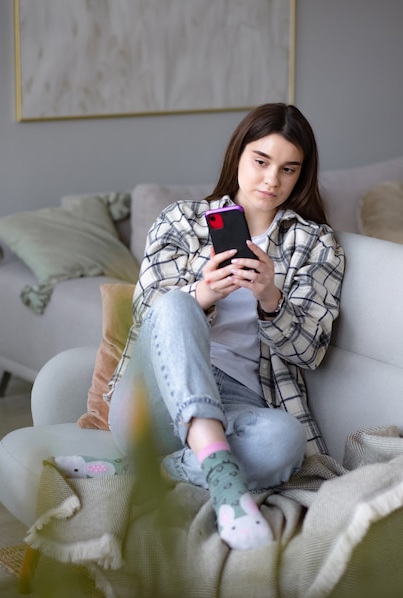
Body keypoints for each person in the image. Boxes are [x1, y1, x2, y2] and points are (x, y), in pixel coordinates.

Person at [107, 103, 345, 551]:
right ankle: (221, 476)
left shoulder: (316, 243)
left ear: (301, 175)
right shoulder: (180, 219)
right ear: (237, 155)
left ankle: (155, 471)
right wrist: (204, 295)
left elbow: (311, 350)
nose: (272, 180)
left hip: (241, 398)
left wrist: (270, 297)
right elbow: (147, 314)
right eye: (260, 161)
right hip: (152, 398)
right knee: (178, 303)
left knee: (285, 441)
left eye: (288, 169)